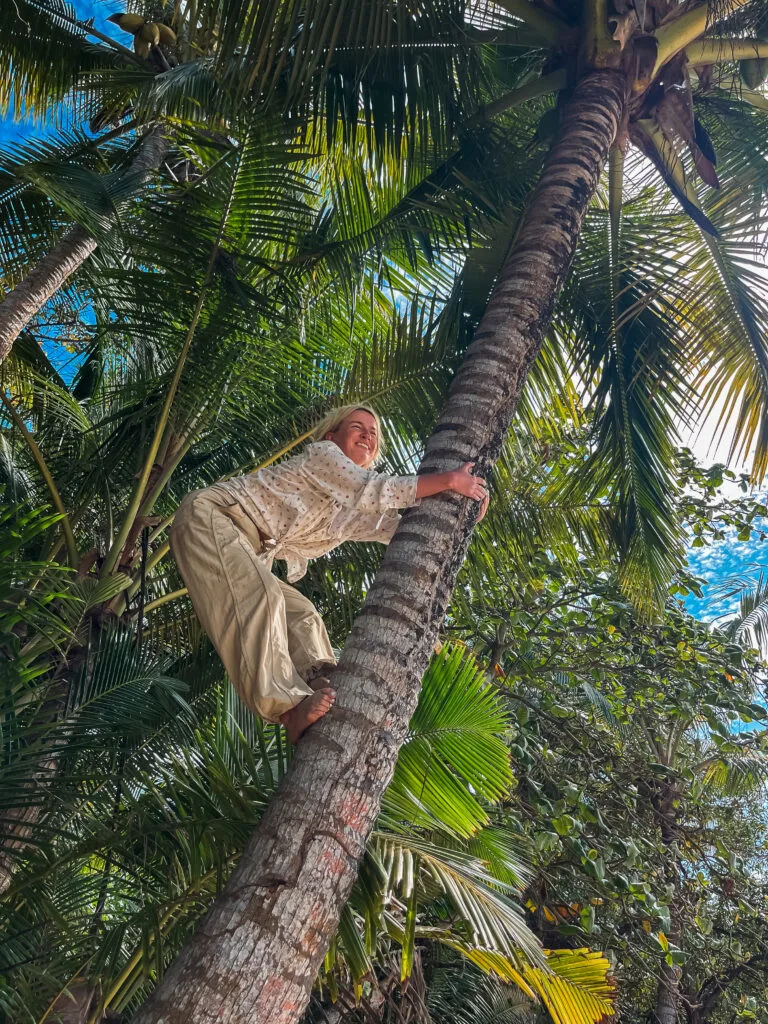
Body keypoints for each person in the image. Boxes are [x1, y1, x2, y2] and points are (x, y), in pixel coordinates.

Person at [170, 405, 488, 744]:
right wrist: (450, 480)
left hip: (249, 547)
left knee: (303, 615)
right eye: (358, 427)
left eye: (373, 433)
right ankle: (287, 708)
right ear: (331, 436)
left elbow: (400, 530)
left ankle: (319, 677)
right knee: (262, 597)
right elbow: (373, 489)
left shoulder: (350, 512)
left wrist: (460, 515)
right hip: (214, 515)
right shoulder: (322, 456)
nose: (368, 434)